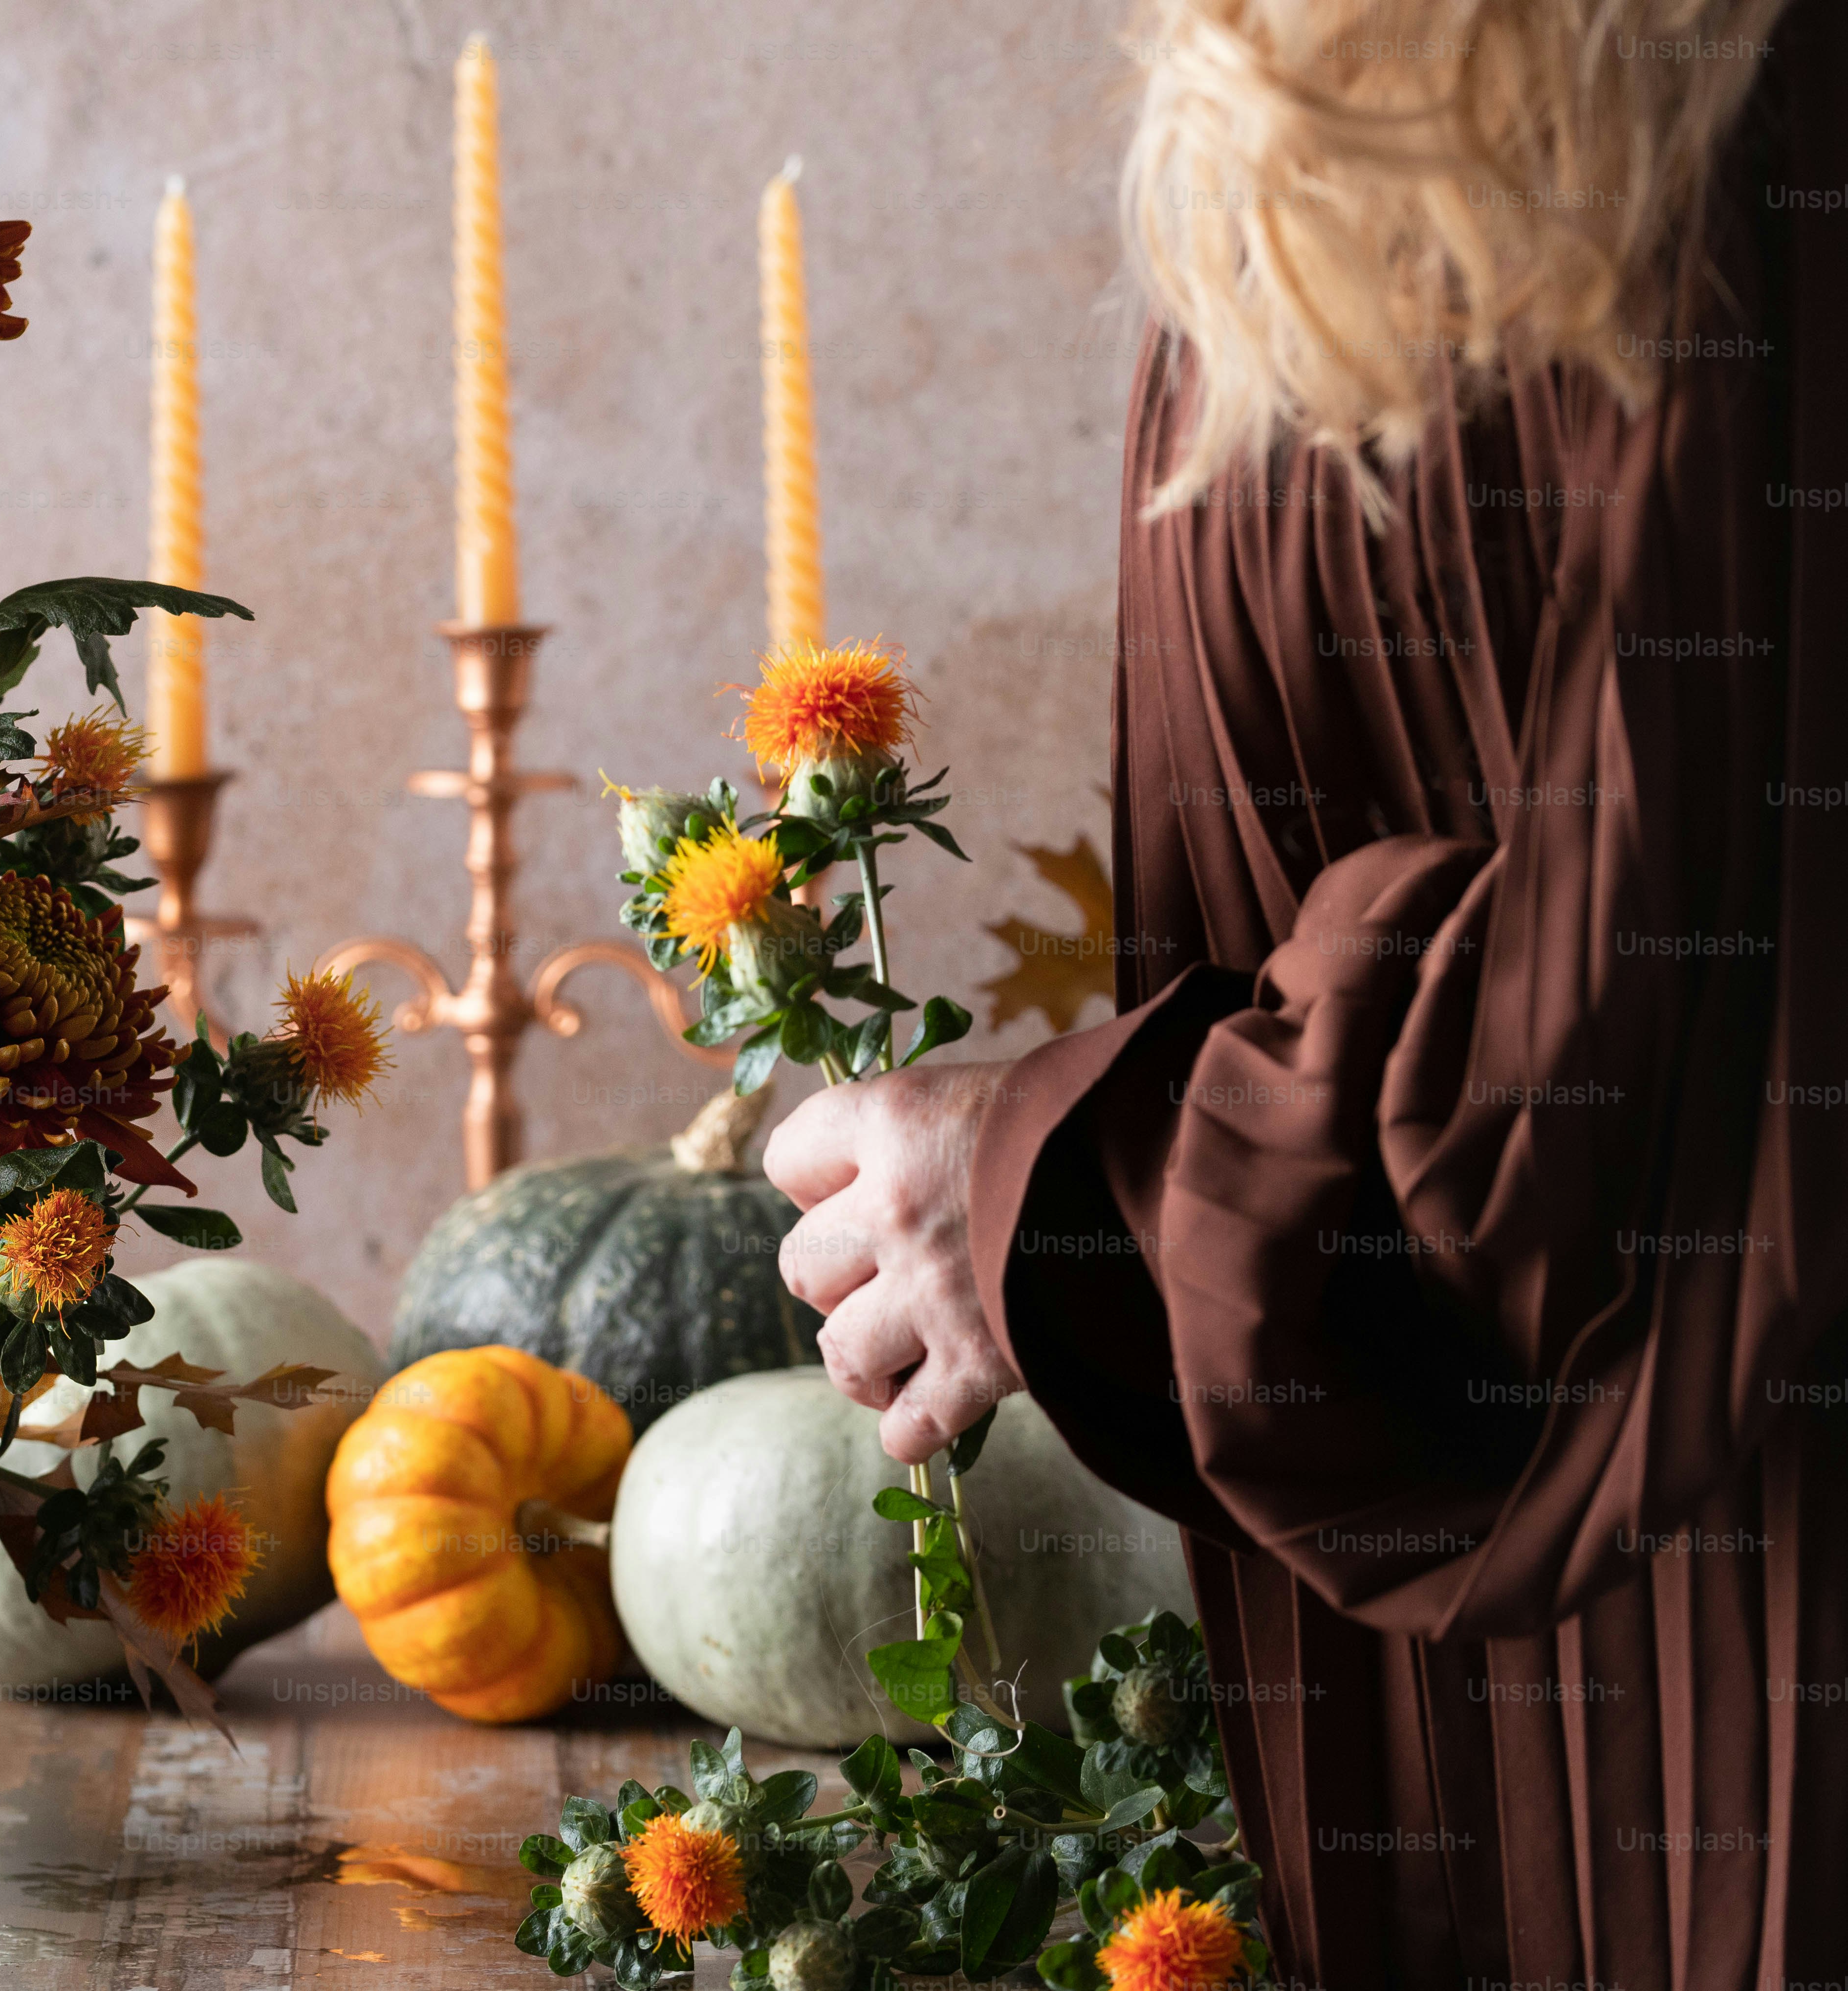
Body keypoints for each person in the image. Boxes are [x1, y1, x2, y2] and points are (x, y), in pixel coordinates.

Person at [762, 4, 1841, 1985]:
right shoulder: (1352, 62)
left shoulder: (1718, 89)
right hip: (1495, 1696)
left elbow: (1624, 1033)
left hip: (1736, 1674)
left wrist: (1053, 1181)